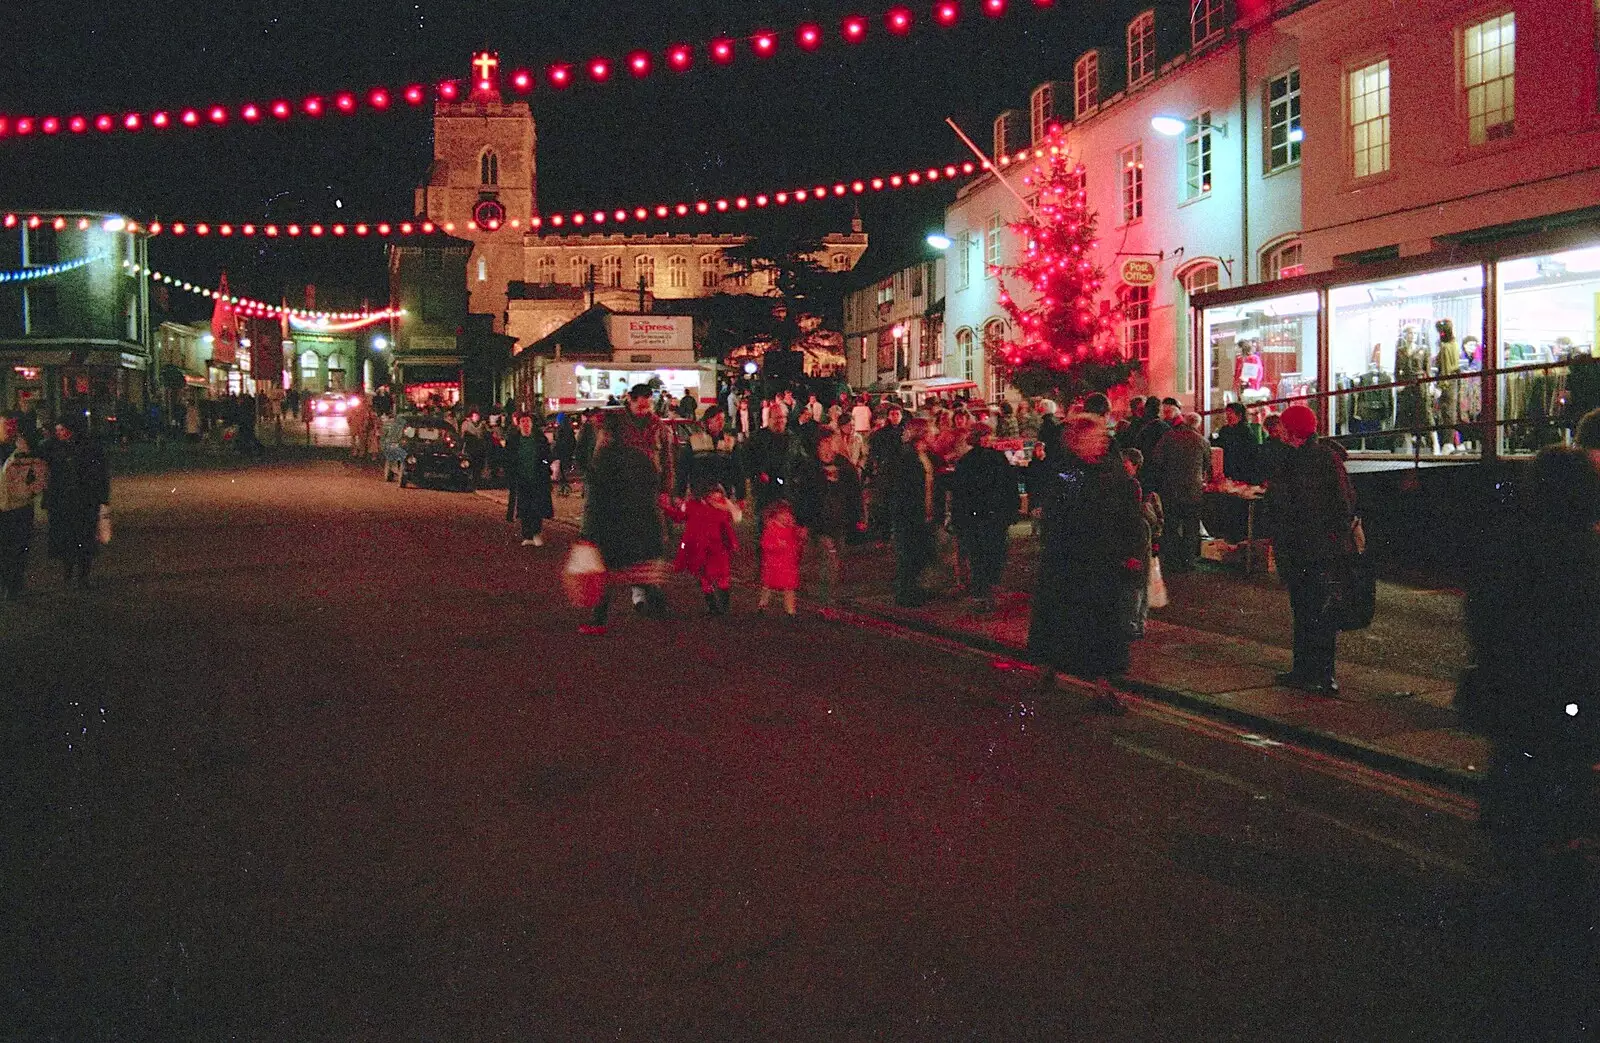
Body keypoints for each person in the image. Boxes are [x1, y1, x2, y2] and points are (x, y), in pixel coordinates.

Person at [1464, 446, 1600, 1041]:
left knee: (1522, 780)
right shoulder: (1588, 550)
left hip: (1519, 695)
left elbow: (1484, 620)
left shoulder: (1508, 546)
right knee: (1566, 784)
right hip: (1574, 697)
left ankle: (1523, 879)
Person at [1027, 413, 1147, 714]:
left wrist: (1133, 551)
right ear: (1078, 442)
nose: (1102, 440)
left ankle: (1102, 687)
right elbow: (1056, 517)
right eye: (1095, 437)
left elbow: (1130, 514)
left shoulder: (1113, 469)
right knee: (1065, 621)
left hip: (1106, 562)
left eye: (1103, 435)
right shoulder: (1069, 474)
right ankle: (1050, 668)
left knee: (1105, 627)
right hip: (1072, 562)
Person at [1261, 403, 1356, 695]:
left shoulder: (1321, 460)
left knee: (1319, 613)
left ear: (1294, 431)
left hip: (1317, 550)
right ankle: (1305, 670)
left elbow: (1343, 505)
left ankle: (1323, 675)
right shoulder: (1294, 459)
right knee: (1304, 611)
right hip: (1303, 549)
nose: (1281, 434)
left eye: (1286, 429)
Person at [577, 386, 674, 633]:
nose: (645, 408)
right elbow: (593, 467)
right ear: (629, 401)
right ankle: (605, 617)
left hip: (643, 499)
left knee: (633, 562)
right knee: (622, 562)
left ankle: (652, 610)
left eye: (648, 404)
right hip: (620, 502)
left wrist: (665, 492)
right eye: (640, 404)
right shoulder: (612, 424)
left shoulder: (658, 428)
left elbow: (668, 462)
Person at [950, 423, 1020, 612]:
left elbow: (960, 492)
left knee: (979, 554)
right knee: (993, 552)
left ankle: (982, 591)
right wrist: (1012, 510)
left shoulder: (967, 461)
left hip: (977, 514)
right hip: (992, 513)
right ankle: (987, 588)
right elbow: (1009, 485)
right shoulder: (995, 459)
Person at [792, 430, 862, 605]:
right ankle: (826, 599)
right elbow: (802, 496)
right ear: (818, 445)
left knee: (836, 558)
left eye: (832, 442)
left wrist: (859, 517)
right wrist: (802, 522)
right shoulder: (810, 467)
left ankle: (826, 592)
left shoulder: (844, 466)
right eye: (826, 442)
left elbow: (855, 493)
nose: (830, 446)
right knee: (828, 558)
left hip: (839, 521)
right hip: (819, 523)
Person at [41, 416, 110, 589]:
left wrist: (101, 497)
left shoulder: (88, 448)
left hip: (83, 500)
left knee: (84, 538)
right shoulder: (54, 447)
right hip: (64, 502)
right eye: (57, 431)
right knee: (67, 539)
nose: (59, 434)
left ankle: (82, 575)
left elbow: (100, 473)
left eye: (62, 430)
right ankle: (69, 573)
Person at [1148, 412, 1210, 571]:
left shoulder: (1168, 437)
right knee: (1191, 526)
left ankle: (1172, 561)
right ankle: (1189, 561)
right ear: (1196, 425)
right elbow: (1207, 465)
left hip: (1171, 489)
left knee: (1171, 525)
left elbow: (1157, 460)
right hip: (1193, 490)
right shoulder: (1202, 441)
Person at [672, 478, 740, 615]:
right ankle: (713, 606)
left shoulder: (722, 508)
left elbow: (733, 520)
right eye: (714, 494)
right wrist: (668, 508)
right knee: (705, 576)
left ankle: (723, 606)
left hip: (718, 548)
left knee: (722, 576)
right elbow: (680, 516)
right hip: (702, 548)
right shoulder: (694, 506)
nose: (718, 497)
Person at [890, 418, 937, 607]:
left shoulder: (924, 456)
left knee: (920, 554)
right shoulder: (908, 458)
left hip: (923, 513)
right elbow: (904, 490)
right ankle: (906, 593)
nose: (934, 436)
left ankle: (915, 590)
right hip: (910, 515)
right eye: (930, 433)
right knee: (909, 555)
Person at [1, 417, 46, 600]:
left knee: (19, 548)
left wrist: (28, 491)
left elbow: (41, 475)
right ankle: (7, 583)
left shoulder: (25, 449)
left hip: (19, 507)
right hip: (5, 505)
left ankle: (14, 585)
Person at [509, 412, 553, 547]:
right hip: (522, 479)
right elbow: (508, 457)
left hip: (537, 478)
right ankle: (527, 535)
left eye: (528, 421)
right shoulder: (514, 439)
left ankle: (536, 533)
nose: (526, 424)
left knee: (536, 507)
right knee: (524, 507)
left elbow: (547, 455)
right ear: (519, 424)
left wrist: (545, 465)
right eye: (523, 421)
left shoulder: (539, 439)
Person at [757, 499, 804, 620]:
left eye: (788, 514)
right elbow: (765, 544)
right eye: (782, 514)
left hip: (788, 563)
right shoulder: (771, 529)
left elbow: (797, 543)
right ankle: (763, 604)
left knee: (789, 587)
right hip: (774, 563)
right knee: (768, 585)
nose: (786, 516)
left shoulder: (792, 529)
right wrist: (777, 546)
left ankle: (790, 610)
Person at [1212, 402, 1262, 483]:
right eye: (1227, 412)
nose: (1227, 415)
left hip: (1241, 469)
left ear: (1239, 415)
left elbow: (1251, 451)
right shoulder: (1224, 430)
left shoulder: (1246, 431)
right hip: (1228, 467)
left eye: (1230, 412)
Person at [460, 408, 489, 483]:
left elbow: (485, 434)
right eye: (475, 416)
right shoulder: (466, 424)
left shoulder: (482, 425)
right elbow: (463, 435)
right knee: (470, 463)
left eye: (478, 416)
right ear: (471, 416)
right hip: (470, 447)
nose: (477, 417)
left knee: (478, 464)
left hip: (479, 448)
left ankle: (477, 479)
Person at [554, 414, 578, 496]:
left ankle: (564, 488)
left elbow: (558, 442)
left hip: (562, 454)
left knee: (562, 473)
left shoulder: (560, 430)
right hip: (567, 454)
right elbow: (573, 442)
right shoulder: (569, 430)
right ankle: (564, 487)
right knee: (564, 472)